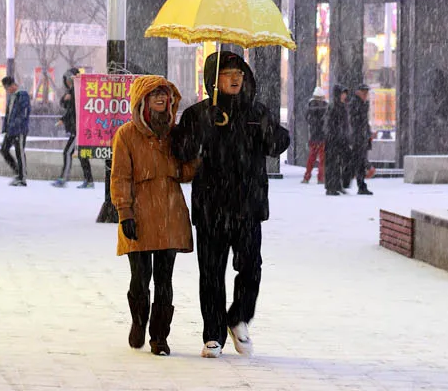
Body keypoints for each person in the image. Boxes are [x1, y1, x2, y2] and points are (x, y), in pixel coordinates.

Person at [171, 50, 290, 359]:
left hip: (248, 206)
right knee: (211, 272)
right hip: (211, 206)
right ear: (214, 79)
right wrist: (202, 129)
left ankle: (238, 317)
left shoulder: (256, 112)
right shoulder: (198, 114)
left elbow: (278, 144)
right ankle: (213, 334)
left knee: (251, 267)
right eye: (227, 73)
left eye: (239, 73)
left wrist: (267, 130)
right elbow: (181, 150)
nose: (235, 78)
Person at [111, 75, 199, 356]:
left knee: (164, 280)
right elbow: (120, 177)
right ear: (142, 100)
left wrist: (195, 156)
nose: (161, 98)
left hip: (170, 213)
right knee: (140, 277)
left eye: (164, 93)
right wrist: (125, 212)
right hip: (139, 212)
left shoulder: (174, 134)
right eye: (154, 94)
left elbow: (184, 173)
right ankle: (139, 321)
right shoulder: (126, 135)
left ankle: (159, 336)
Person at [52, 68, 94, 189]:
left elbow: (74, 110)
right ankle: (89, 180)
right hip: (78, 127)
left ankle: (64, 178)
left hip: (79, 128)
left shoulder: (78, 91)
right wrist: (66, 100)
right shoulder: (72, 91)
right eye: (66, 79)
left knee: (68, 152)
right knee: (82, 154)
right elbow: (67, 106)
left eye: (69, 79)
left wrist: (64, 118)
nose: (68, 82)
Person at [0, 76, 31, 187]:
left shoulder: (22, 95)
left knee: (19, 152)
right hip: (10, 130)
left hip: (19, 130)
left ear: (12, 85)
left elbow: (24, 113)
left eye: (6, 88)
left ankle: (22, 178)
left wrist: (17, 124)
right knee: (4, 150)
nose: (6, 90)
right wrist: (6, 128)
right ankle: (18, 172)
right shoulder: (12, 97)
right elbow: (8, 114)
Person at [324, 85, 350, 196]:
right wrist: (336, 135)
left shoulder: (342, 106)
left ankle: (337, 185)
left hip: (341, 139)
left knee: (340, 163)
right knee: (332, 164)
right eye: (343, 93)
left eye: (345, 93)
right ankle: (331, 187)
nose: (345, 95)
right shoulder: (333, 107)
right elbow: (331, 124)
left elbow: (344, 124)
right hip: (333, 140)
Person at [348, 84, 374, 195]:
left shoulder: (363, 104)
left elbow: (364, 121)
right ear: (358, 92)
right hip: (357, 138)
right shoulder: (355, 103)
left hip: (362, 137)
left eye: (366, 93)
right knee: (359, 161)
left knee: (359, 162)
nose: (365, 95)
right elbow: (354, 122)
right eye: (364, 92)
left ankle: (361, 185)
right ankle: (360, 185)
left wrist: (368, 133)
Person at [302, 85, 328, 184]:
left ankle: (307, 177)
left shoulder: (310, 106)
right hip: (323, 136)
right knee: (322, 159)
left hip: (314, 136)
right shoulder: (326, 107)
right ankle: (321, 178)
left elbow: (307, 119)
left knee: (311, 158)